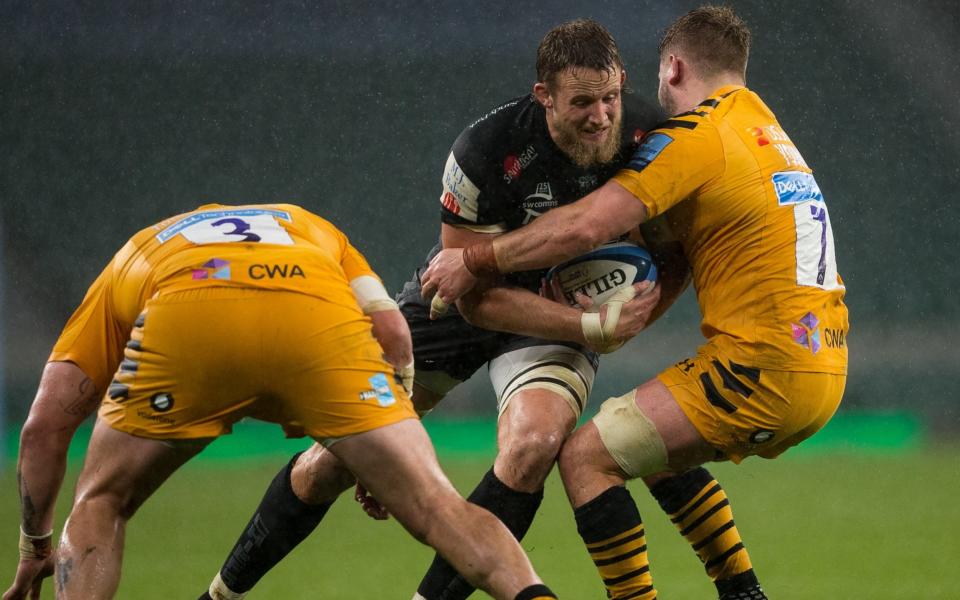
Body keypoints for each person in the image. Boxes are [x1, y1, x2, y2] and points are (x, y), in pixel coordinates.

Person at [199, 18, 767, 600]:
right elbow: (472, 301)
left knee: (532, 447)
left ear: (623, 80)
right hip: (465, 306)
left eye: (609, 97)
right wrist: (588, 324)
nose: (600, 116)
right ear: (543, 95)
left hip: (557, 321)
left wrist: (632, 316)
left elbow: (675, 254)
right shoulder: (483, 151)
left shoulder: (651, 135)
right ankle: (220, 595)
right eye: (582, 103)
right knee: (332, 464)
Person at [422, 6, 849, 599]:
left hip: (762, 367)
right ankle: (742, 591)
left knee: (585, 459)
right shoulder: (767, 130)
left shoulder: (697, 134)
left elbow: (584, 229)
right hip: (824, 363)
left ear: (671, 68)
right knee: (648, 442)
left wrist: (473, 260)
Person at [2, 203, 559, 600]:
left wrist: (34, 546)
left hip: (190, 314)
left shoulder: (140, 250)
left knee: (101, 502)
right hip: (313, 316)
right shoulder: (308, 226)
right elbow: (394, 333)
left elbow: (44, 426)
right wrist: (383, 432)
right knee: (441, 510)